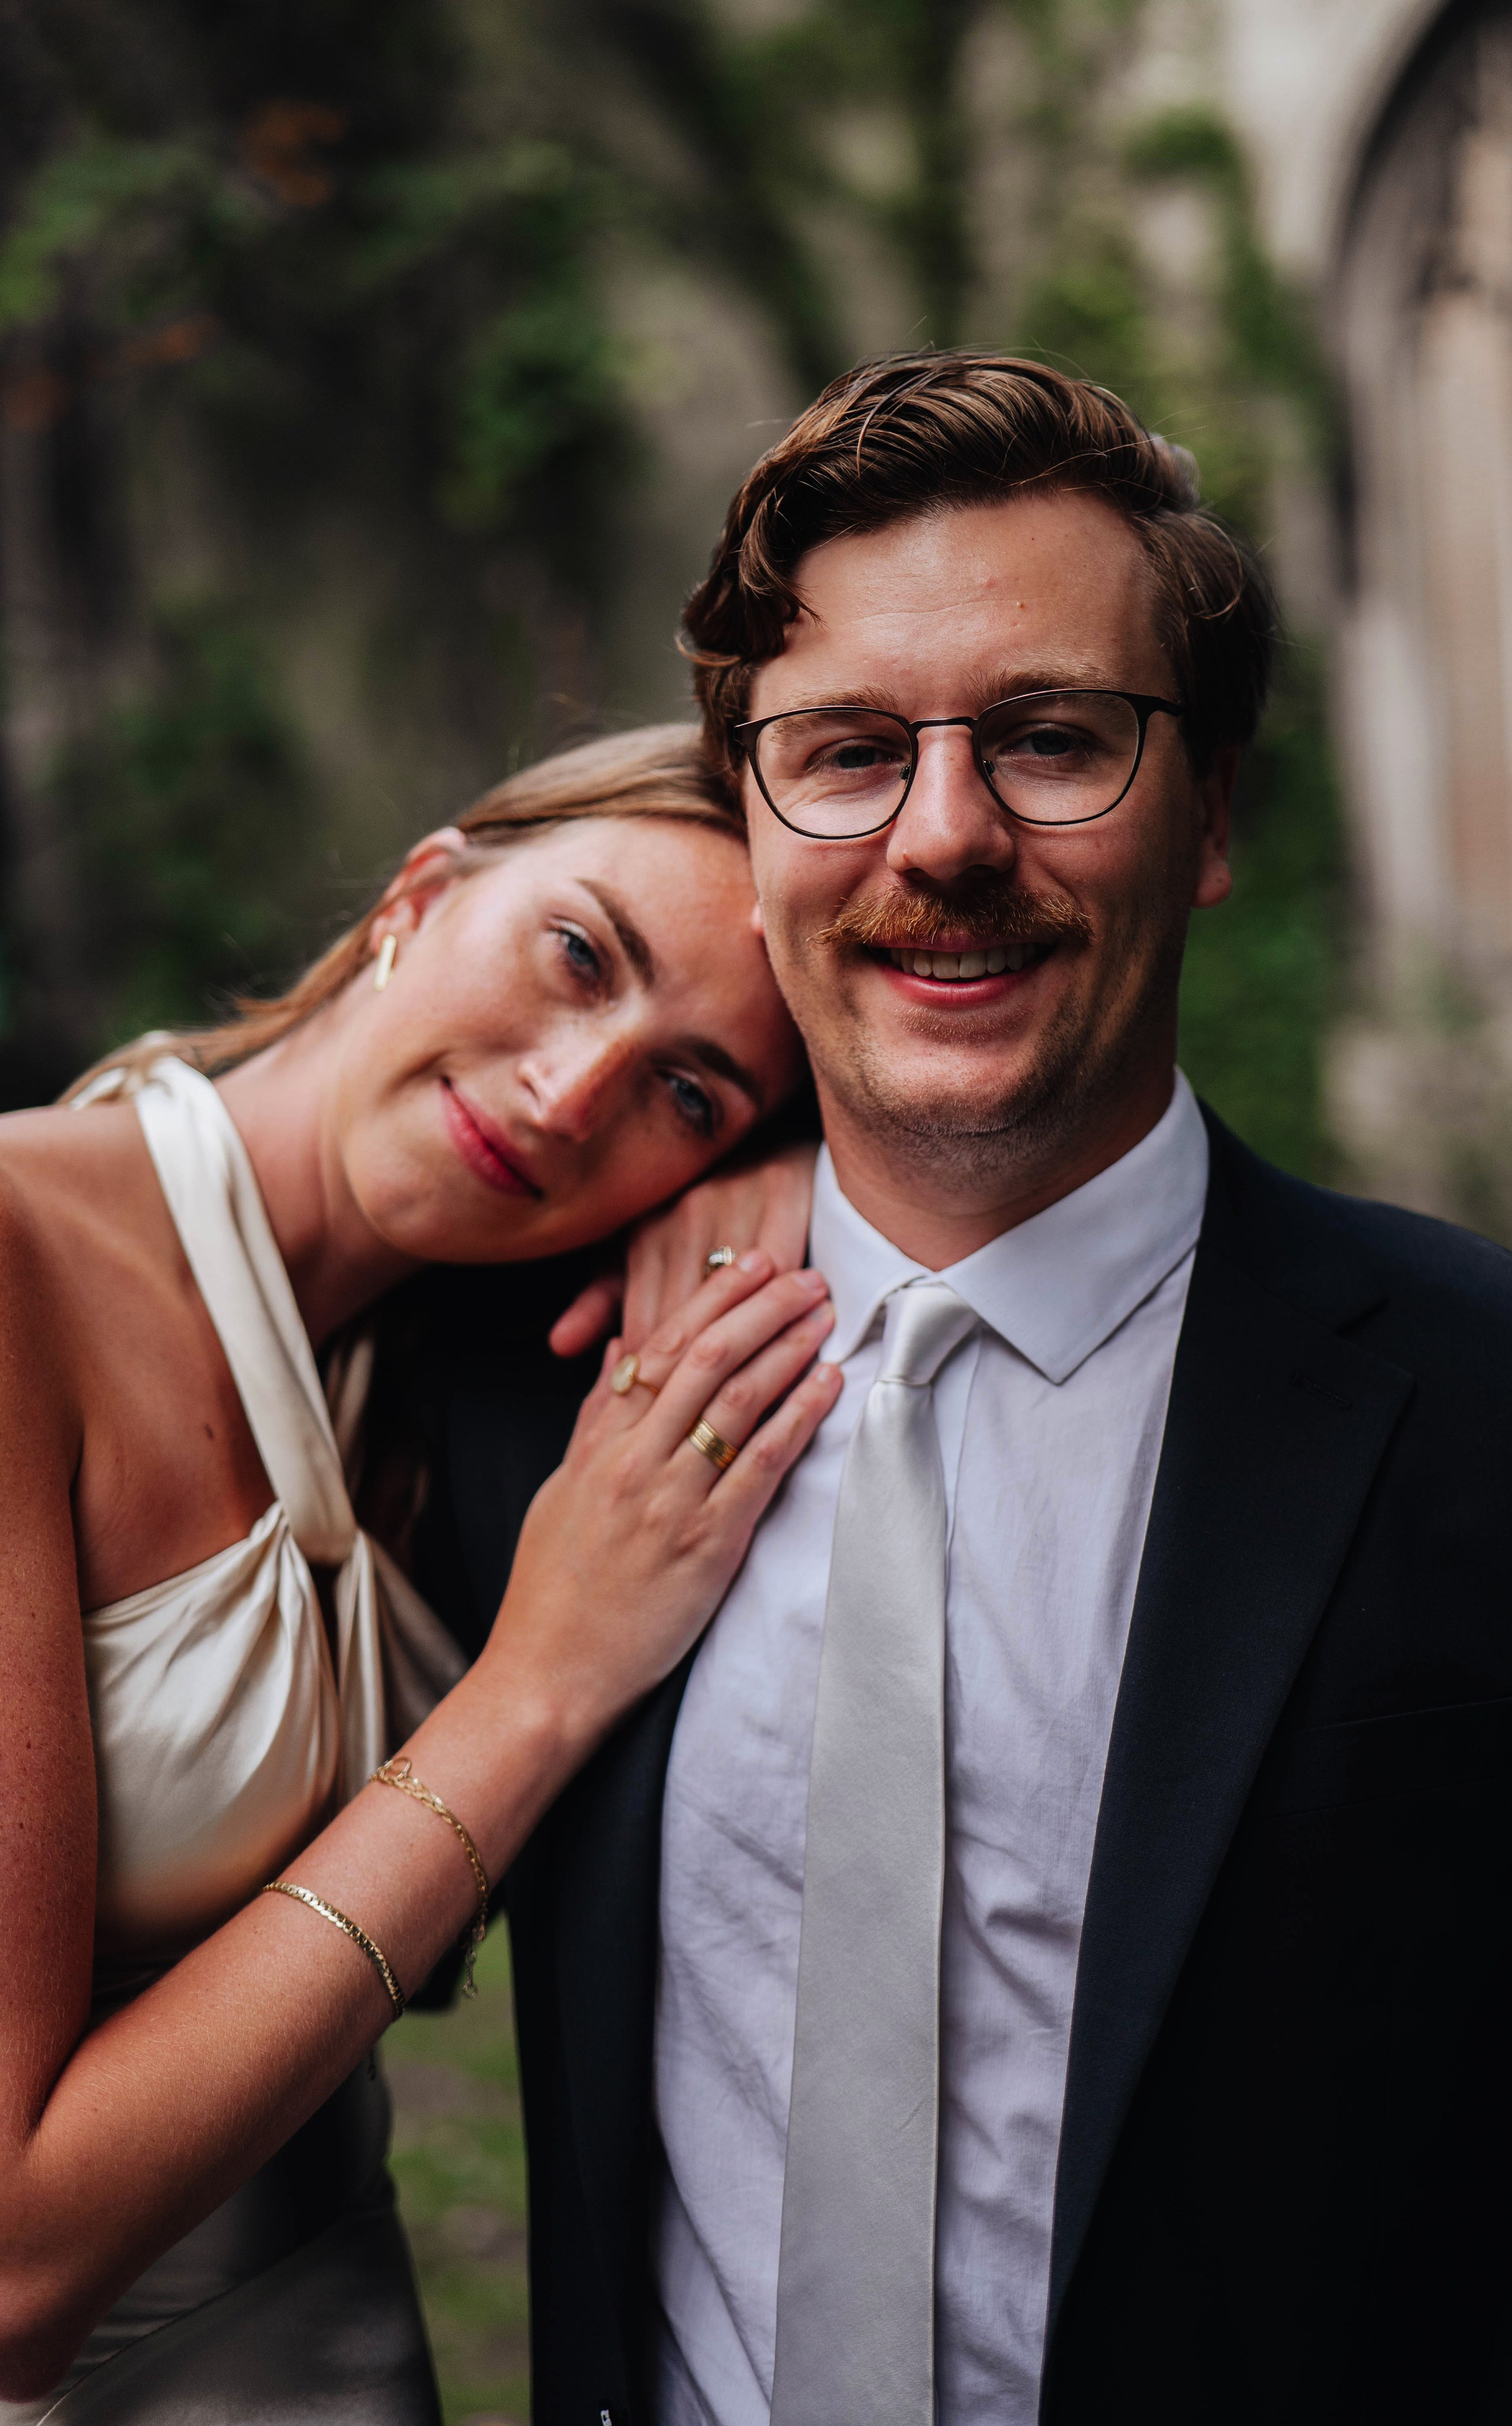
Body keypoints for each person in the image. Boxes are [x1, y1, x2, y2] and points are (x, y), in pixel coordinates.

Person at [427, 353, 1512, 2425]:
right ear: (759, 820)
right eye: (851, 752)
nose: (949, 836)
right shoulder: (539, 1394)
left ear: (1214, 813)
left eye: (1056, 740)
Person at [0, 724, 844, 2423]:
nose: (569, 1096)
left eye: (689, 1089)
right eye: (577, 955)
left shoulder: (445, 1375)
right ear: (417, 895)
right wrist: (539, 1682)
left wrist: (801, 1180)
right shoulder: (22, 1262)